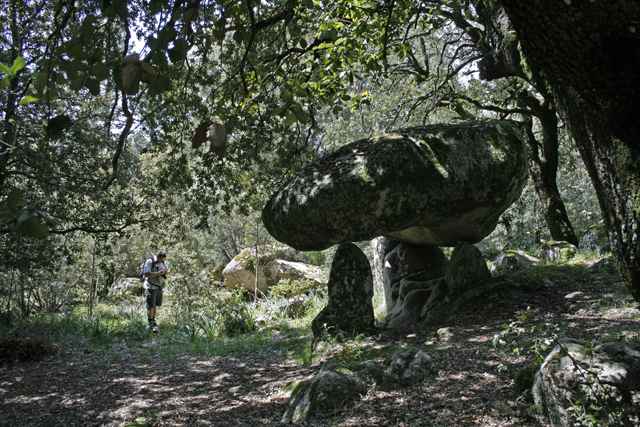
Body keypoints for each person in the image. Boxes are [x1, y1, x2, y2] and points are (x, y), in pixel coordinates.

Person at [142, 250, 170, 332]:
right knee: (151, 306)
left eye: (163, 260)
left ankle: (153, 321)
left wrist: (165, 272)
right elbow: (146, 274)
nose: (162, 261)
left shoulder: (163, 263)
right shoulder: (150, 262)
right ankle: (150, 323)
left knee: (155, 305)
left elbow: (168, 271)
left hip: (159, 287)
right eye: (161, 259)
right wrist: (158, 273)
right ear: (157, 256)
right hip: (151, 286)